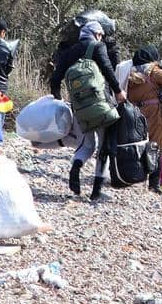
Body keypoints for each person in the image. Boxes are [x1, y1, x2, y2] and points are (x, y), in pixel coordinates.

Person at [50, 21, 125, 200]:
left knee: (87, 144)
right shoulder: (97, 47)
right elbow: (108, 70)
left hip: (79, 107)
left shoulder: (69, 52)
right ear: (97, 34)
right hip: (101, 105)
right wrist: (118, 90)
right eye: (100, 35)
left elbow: (55, 80)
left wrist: (59, 99)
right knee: (103, 146)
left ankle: (76, 166)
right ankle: (96, 191)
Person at [125, 45, 162, 195]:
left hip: (134, 113)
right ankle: (154, 184)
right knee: (158, 147)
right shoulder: (154, 71)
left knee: (139, 144)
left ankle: (134, 176)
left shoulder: (129, 72)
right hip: (154, 113)